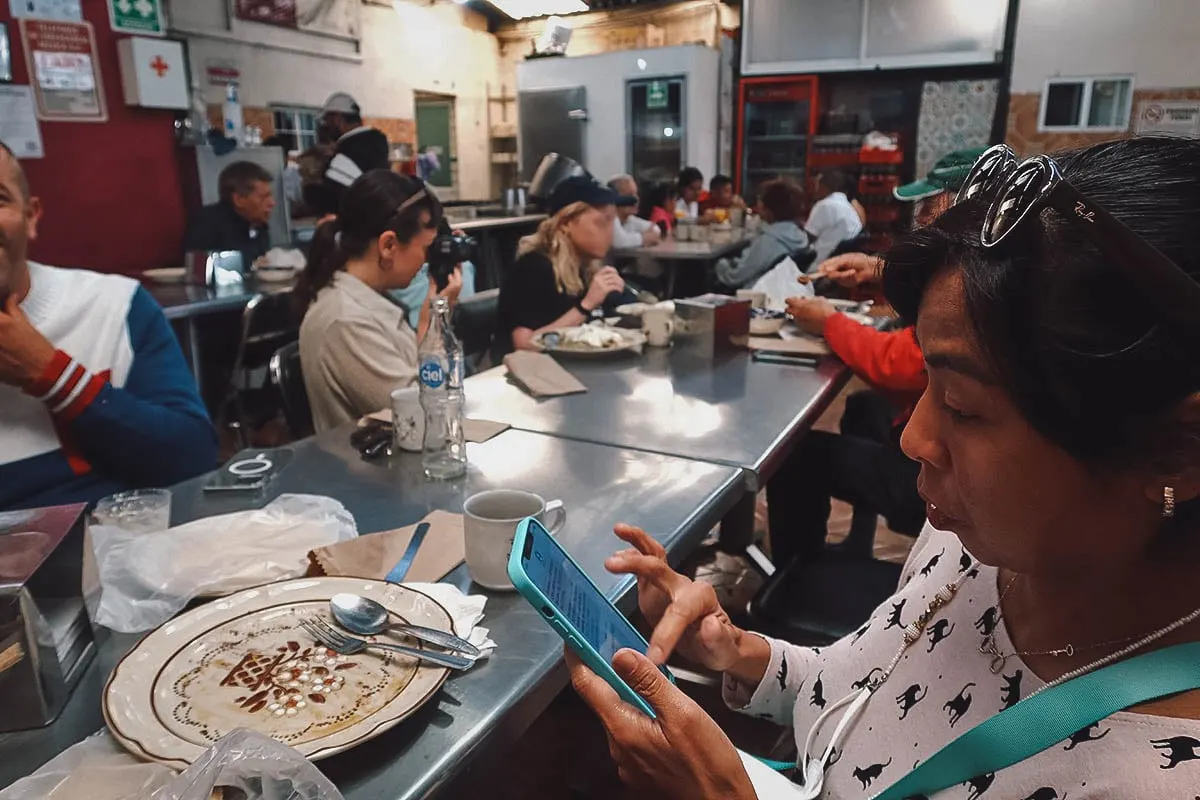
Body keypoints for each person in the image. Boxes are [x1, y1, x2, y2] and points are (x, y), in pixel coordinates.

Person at [565, 136, 1200, 799]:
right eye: (925, 376)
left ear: (1178, 452)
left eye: (963, 406)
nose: (915, 437)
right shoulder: (969, 549)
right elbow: (858, 691)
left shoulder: (1157, 774)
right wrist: (734, 649)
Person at [774, 148, 984, 560]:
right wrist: (876, 270)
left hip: (946, 473)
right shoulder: (977, 265)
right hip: (947, 438)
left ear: (960, 205)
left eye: (927, 206)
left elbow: (899, 364)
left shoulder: (974, 285)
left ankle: (796, 576)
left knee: (795, 457)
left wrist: (828, 321)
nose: (919, 218)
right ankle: (856, 542)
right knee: (862, 408)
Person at [0, 142, 216, 510]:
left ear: (31, 216)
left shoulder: (116, 306)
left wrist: (52, 375)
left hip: (122, 546)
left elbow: (193, 458)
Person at [297, 171, 461, 434]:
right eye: (425, 249)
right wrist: (433, 327)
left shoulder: (369, 299)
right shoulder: (347, 321)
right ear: (388, 245)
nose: (425, 262)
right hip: (367, 470)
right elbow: (422, 416)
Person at [500, 176, 625, 351]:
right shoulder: (534, 267)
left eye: (613, 222)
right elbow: (524, 344)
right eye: (602, 222)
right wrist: (585, 307)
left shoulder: (585, 268)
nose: (610, 233)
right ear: (566, 223)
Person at [714, 179, 808, 290]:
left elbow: (734, 277)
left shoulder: (768, 241)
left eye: (760, 199)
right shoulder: (800, 236)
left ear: (769, 209)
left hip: (753, 293)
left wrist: (720, 264)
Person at [183, 160, 275, 267]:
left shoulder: (258, 225)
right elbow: (202, 270)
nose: (272, 203)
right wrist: (252, 264)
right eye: (264, 197)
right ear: (239, 199)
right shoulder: (207, 223)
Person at [314, 92, 391, 217]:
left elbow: (334, 202)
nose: (325, 126)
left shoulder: (344, 155)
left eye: (327, 121)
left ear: (338, 119)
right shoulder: (378, 142)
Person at [805, 169, 864, 263]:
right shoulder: (847, 205)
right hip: (841, 261)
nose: (814, 190)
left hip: (820, 262)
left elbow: (807, 239)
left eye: (817, 185)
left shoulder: (824, 205)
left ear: (825, 186)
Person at [607, 174, 661, 249]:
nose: (636, 199)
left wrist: (636, 239)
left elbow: (655, 228)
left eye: (636, 194)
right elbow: (619, 242)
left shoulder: (629, 219)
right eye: (630, 194)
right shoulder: (608, 216)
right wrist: (644, 238)